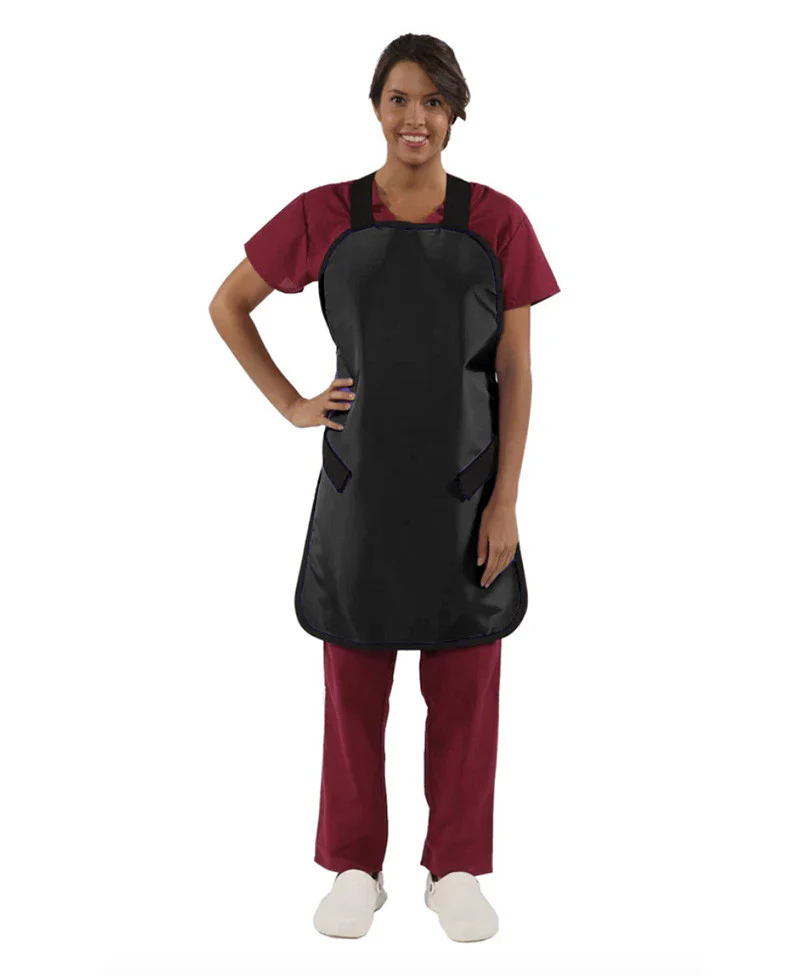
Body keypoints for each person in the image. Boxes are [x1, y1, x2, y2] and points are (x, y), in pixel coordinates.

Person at [209, 33, 560, 942]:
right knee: (353, 687)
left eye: (434, 102)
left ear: (456, 114)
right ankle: (355, 867)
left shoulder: (498, 221)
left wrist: (506, 499)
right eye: (400, 99)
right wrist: (293, 404)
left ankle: (456, 869)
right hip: (361, 489)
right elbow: (228, 304)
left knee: (468, 684)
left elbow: (516, 370)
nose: (416, 118)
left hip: (465, 492)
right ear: (375, 107)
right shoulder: (324, 214)